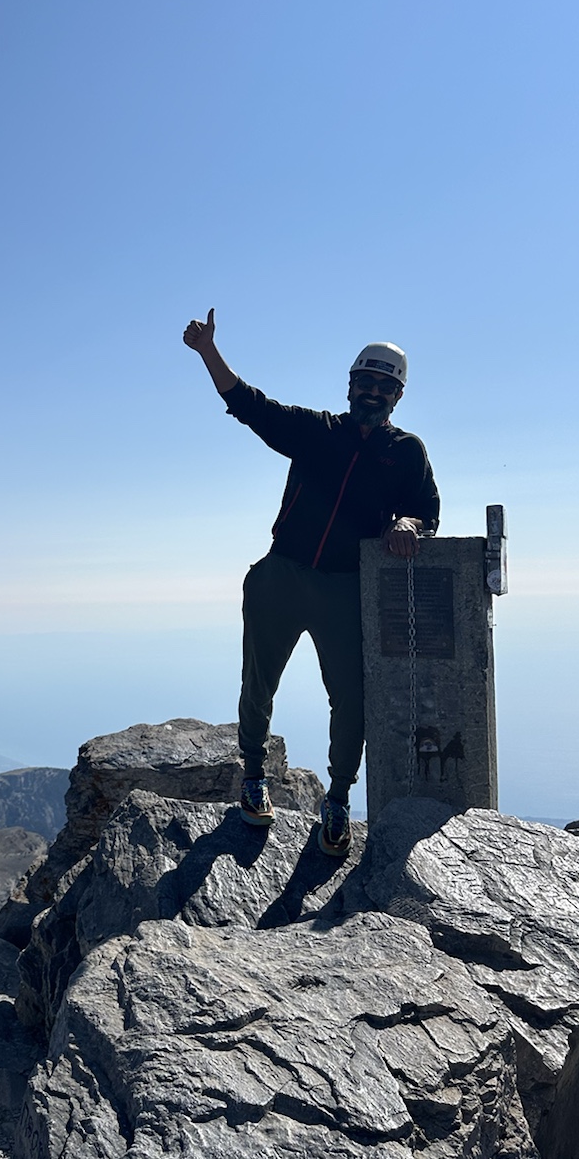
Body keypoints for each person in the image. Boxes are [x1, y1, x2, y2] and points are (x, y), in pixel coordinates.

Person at [183, 311, 439, 856]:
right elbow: (250, 405)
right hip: (281, 574)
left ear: (397, 395)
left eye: (382, 385)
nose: (370, 391)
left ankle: (339, 799)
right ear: (349, 385)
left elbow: (425, 510)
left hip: (345, 588)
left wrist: (408, 524)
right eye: (363, 381)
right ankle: (254, 777)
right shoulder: (316, 431)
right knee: (259, 682)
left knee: (351, 699)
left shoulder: (406, 452)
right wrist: (209, 351)